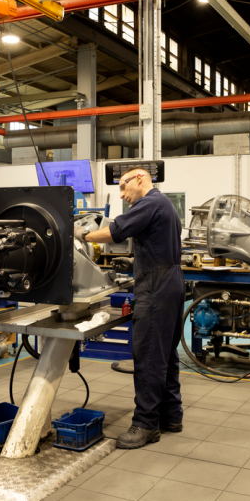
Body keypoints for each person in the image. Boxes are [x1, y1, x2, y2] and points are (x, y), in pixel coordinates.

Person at [79, 167, 184, 449]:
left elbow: (116, 231)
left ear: (140, 179)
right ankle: (171, 415)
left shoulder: (148, 202)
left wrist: (82, 235)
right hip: (171, 280)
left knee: (148, 355)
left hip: (156, 288)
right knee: (165, 354)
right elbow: (161, 250)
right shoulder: (166, 206)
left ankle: (146, 424)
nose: (123, 195)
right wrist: (135, 263)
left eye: (124, 186)